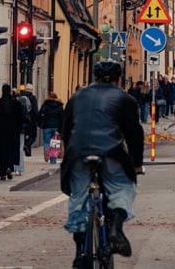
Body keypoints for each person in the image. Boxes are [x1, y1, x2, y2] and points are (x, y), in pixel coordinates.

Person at [60, 59, 144, 268]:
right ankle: (115, 227)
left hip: (78, 153)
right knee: (120, 189)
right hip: (111, 152)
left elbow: (66, 127)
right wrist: (136, 164)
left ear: (94, 77)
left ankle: (80, 252)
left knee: (79, 198)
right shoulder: (124, 99)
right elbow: (134, 134)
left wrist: (67, 153)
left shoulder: (77, 97)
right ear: (119, 79)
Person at [0, 84, 24, 181]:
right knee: (11, 151)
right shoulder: (16, 104)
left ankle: (2, 173)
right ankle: (10, 168)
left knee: (1, 153)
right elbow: (21, 118)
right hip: (13, 132)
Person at [37, 92, 64, 162]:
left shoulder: (45, 105)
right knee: (54, 143)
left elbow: (39, 114)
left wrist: (40, 124)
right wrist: (60, 129)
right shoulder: (59, 106)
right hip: (56, 127)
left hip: (47, 126)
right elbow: (62, 118)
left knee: (46, 142)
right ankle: (53, 160)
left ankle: (46, 152)